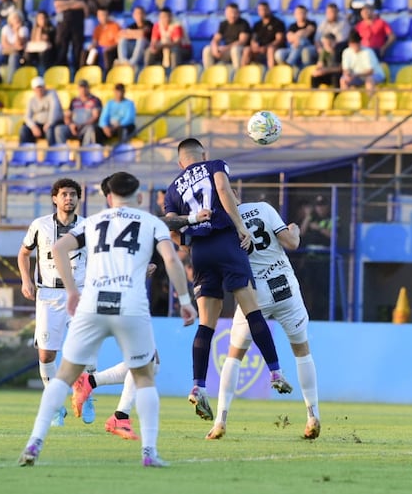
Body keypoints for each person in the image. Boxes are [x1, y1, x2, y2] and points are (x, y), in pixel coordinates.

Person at [18, 171, 197, 467]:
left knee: (63, 376)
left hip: (92, 303)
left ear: (107, 197)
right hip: (130, 305)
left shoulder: (92, 222)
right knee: (146, 373)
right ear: (139, 198)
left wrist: (73, 291)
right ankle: (149, 453)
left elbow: (59, 248)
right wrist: (186, 301)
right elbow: (171, 260)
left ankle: (34, 443)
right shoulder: (150, 222)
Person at [164, 138, 292, 421]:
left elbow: (172, 226)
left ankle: (198, 386)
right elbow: (223, 190)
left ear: (180, 162)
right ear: (203, 154)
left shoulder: (173, 188)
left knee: (206, 325)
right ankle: (275, 372)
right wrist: (239, 226)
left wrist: (188, 243)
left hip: (200, 251)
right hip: (225, 243)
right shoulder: (215, 165)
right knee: (251, 309)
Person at [205, 196, 321, 440]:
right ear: (233, 194)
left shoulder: (221, 224)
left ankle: (220, 421)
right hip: (285, 287)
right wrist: (295, 230)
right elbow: (291, 243)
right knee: (302, 351)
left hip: (254, 293)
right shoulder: (263, 208)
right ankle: (312, 416)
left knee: (234, 356)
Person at [17, 178, 86, 428]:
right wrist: (26, 280)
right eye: (64, 194)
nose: (68, 198)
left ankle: (86, 394)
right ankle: (56, 406)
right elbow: (24, 253)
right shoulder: (40, 226)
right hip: (48, 295)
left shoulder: (87, 227)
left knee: (83, 347)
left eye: (73, 194)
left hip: (80, 294)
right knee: (46, 353)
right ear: (55, 199)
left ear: (79, 199)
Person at [202, 2, 251, 70]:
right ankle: (209, 74)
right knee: (207, 50)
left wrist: (226, 48)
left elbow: (242, 41)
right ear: (226, 13)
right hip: (226, 50)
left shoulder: (243, 23)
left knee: (235, 50)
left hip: (239, 50)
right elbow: (215, 39)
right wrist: (215, 48)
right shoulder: (223, 24)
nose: (233, 15)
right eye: (231, 13)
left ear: (239, 13)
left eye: (235, 13)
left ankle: (236, 74)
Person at [19, 76, 65, 146]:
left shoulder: (52, 94)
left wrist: (49, 123)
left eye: (41, 87)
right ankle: (26, 152)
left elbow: (55, 110)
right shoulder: (32, 100)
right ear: (34, 90)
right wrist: (33, 127)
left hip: (52, 124)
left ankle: (52, 153)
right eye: (37, 88)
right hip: (39, 125)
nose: (39, 90)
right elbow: (27, 117)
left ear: (44, 87)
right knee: (24, 130)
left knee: (50, 131)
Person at [53, 0, 88, 72]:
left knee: (77, 49)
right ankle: (61, 73)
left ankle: (77, 73)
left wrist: (66, 5)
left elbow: (84, 5)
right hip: (63, 25)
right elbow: (57, 5)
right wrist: (75, 3)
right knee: (62, 49)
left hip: (78, 24)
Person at [55, 79, 102, 145]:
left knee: (90, 129)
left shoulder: (95, 100)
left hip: (86, 126)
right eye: (80, 88)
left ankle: (85, 152)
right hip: (74, 126)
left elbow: (95, 116)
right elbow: (67, 116)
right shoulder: (74, 100)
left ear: (88, 88)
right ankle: (62, 152)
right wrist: (71, 125)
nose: (82, 90)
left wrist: (82, 125)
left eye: (84, 87)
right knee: (59, 129)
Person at [241, 1, 285, 68]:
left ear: (269, 10)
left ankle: (271, 73)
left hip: (272, 47)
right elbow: (253, 39)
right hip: (260, 48)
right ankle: (243, 73)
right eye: (260, 10)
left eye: (264, 9)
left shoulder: (278, 23)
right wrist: (254, 45)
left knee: (270, 50)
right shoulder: (257, 25)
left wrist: (266, 47)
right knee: (247, 49)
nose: (262, 12)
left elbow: (279, 39)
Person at [0, 10, 30, 83]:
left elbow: (20, 45)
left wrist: (17, 31)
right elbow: (4, 44)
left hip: (20, 54)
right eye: (14, 18)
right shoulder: (5, 28)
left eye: (17, 18)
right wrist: (14, 48)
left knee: (13, 57)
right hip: (7, 52)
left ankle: (10, 82)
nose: (16, 20)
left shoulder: (24, 29)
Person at [24, 11, 56, 75]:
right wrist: (38, 29)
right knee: (28, 55)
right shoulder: (35, 29)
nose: (42, 20)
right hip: (36, 52)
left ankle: (43, 75)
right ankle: (29, 74)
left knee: (43, 55)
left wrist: (40, 30)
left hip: (48, 52)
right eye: (40, 18)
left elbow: (42, 40)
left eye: (43, 18)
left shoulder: (51, 29)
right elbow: (34, 41)